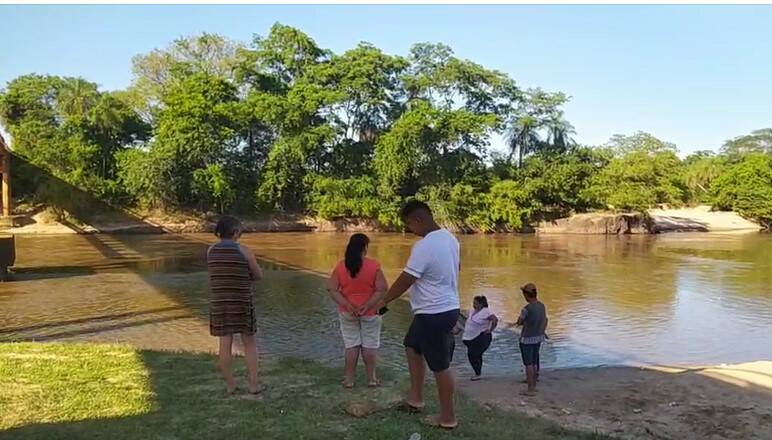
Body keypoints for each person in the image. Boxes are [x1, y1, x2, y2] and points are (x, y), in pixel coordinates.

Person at [362, 200, 460, 430]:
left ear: (419, 219)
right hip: (442, 308)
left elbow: (407, 278)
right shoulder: (451, 239)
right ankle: (415, 399)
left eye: (409, 225)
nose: (410, 230)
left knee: (440, 366)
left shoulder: (424, 246)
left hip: (434, 312)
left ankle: (448, 418)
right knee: (412, 346)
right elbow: (457, 269)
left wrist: (383, 301)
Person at [207, 215, 264, 395]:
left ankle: (230, 385)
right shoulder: (244, 251)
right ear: (236, 232)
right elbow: (259, 275)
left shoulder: (211, 251)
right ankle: (254, 384)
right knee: (249, 342)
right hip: (241, 302)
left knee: (225, 343)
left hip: (220, 302)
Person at [326, 233, 388, 389]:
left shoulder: (340, 266)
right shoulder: (374, 266)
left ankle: (349, 380)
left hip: (348, 312)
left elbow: (332, 289)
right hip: (371, 312)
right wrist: (367, 305)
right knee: (370, 345)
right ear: (364, 248)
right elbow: (382, 289)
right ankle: (371, 379)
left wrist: (347, 305)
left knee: (351, 345)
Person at [516, 282, 548, 395]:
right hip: (538, 337)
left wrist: (519, 321)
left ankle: (530, 389)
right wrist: (543, 331)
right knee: (534, 362)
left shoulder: (526, 309)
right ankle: (533, 383)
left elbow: (519, 321)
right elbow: (545, 320)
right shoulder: (542, 306)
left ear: (526, 295)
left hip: (527, 339)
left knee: (528, 364)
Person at [461, 295, 498, 381]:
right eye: (473, 303)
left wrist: (490, 330)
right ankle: (478, 373)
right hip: (470, 338)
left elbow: (495, 319)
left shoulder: (486, 311)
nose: (473, 305)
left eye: (475, 303)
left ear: (481, 304)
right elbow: (468, 323)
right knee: (476, 355)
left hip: (482, 337)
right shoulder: (473, 311)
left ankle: (478, 374)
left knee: (473, 354)